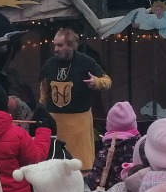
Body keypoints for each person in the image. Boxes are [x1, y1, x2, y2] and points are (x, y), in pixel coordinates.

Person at [38, 28, 112, 171]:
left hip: (79, 123)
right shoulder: (49, 64)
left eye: (60, 45)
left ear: (71, 45)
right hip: (55, 121)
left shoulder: (86, 62)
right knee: (56, 166)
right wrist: (41, 107)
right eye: (55, 45)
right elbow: (44, 88)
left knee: (79, 165)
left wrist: (96, 82)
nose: (56, 49)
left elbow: (107, 81)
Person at [86, 101, 139, 192]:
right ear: (134, 124)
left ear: (109, 126)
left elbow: (93, 182)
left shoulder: (105, 153)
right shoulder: (142, 148)